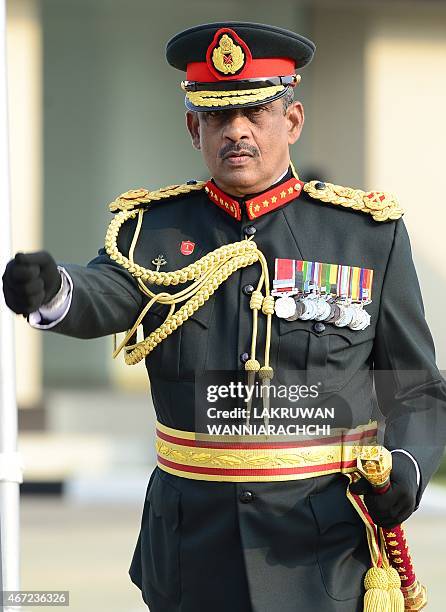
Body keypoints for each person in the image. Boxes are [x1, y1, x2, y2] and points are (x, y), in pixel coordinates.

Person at [2, 21, 446, 612]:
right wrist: (51, 291)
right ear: (194, 128)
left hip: (322, 553)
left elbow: (417, 390)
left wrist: (408, 471)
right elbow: (103, 292)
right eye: (217, 116)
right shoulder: (155, 230)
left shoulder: (364, 237)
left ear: (292, 121)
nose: (236, 131)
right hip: (192, 551)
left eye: (256, 112)